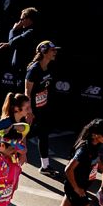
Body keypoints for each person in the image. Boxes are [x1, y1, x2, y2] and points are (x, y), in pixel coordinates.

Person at [24, 40, 60, 173]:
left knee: (43, 134)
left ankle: (45, 166)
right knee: (25, 134)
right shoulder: (34, 69)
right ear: (44, 52)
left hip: (43, 107)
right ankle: (8, 150)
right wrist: (29, 110)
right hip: (32, 108)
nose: (55, 52)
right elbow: (27, 92)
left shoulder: (49, 66)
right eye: (53, 50)